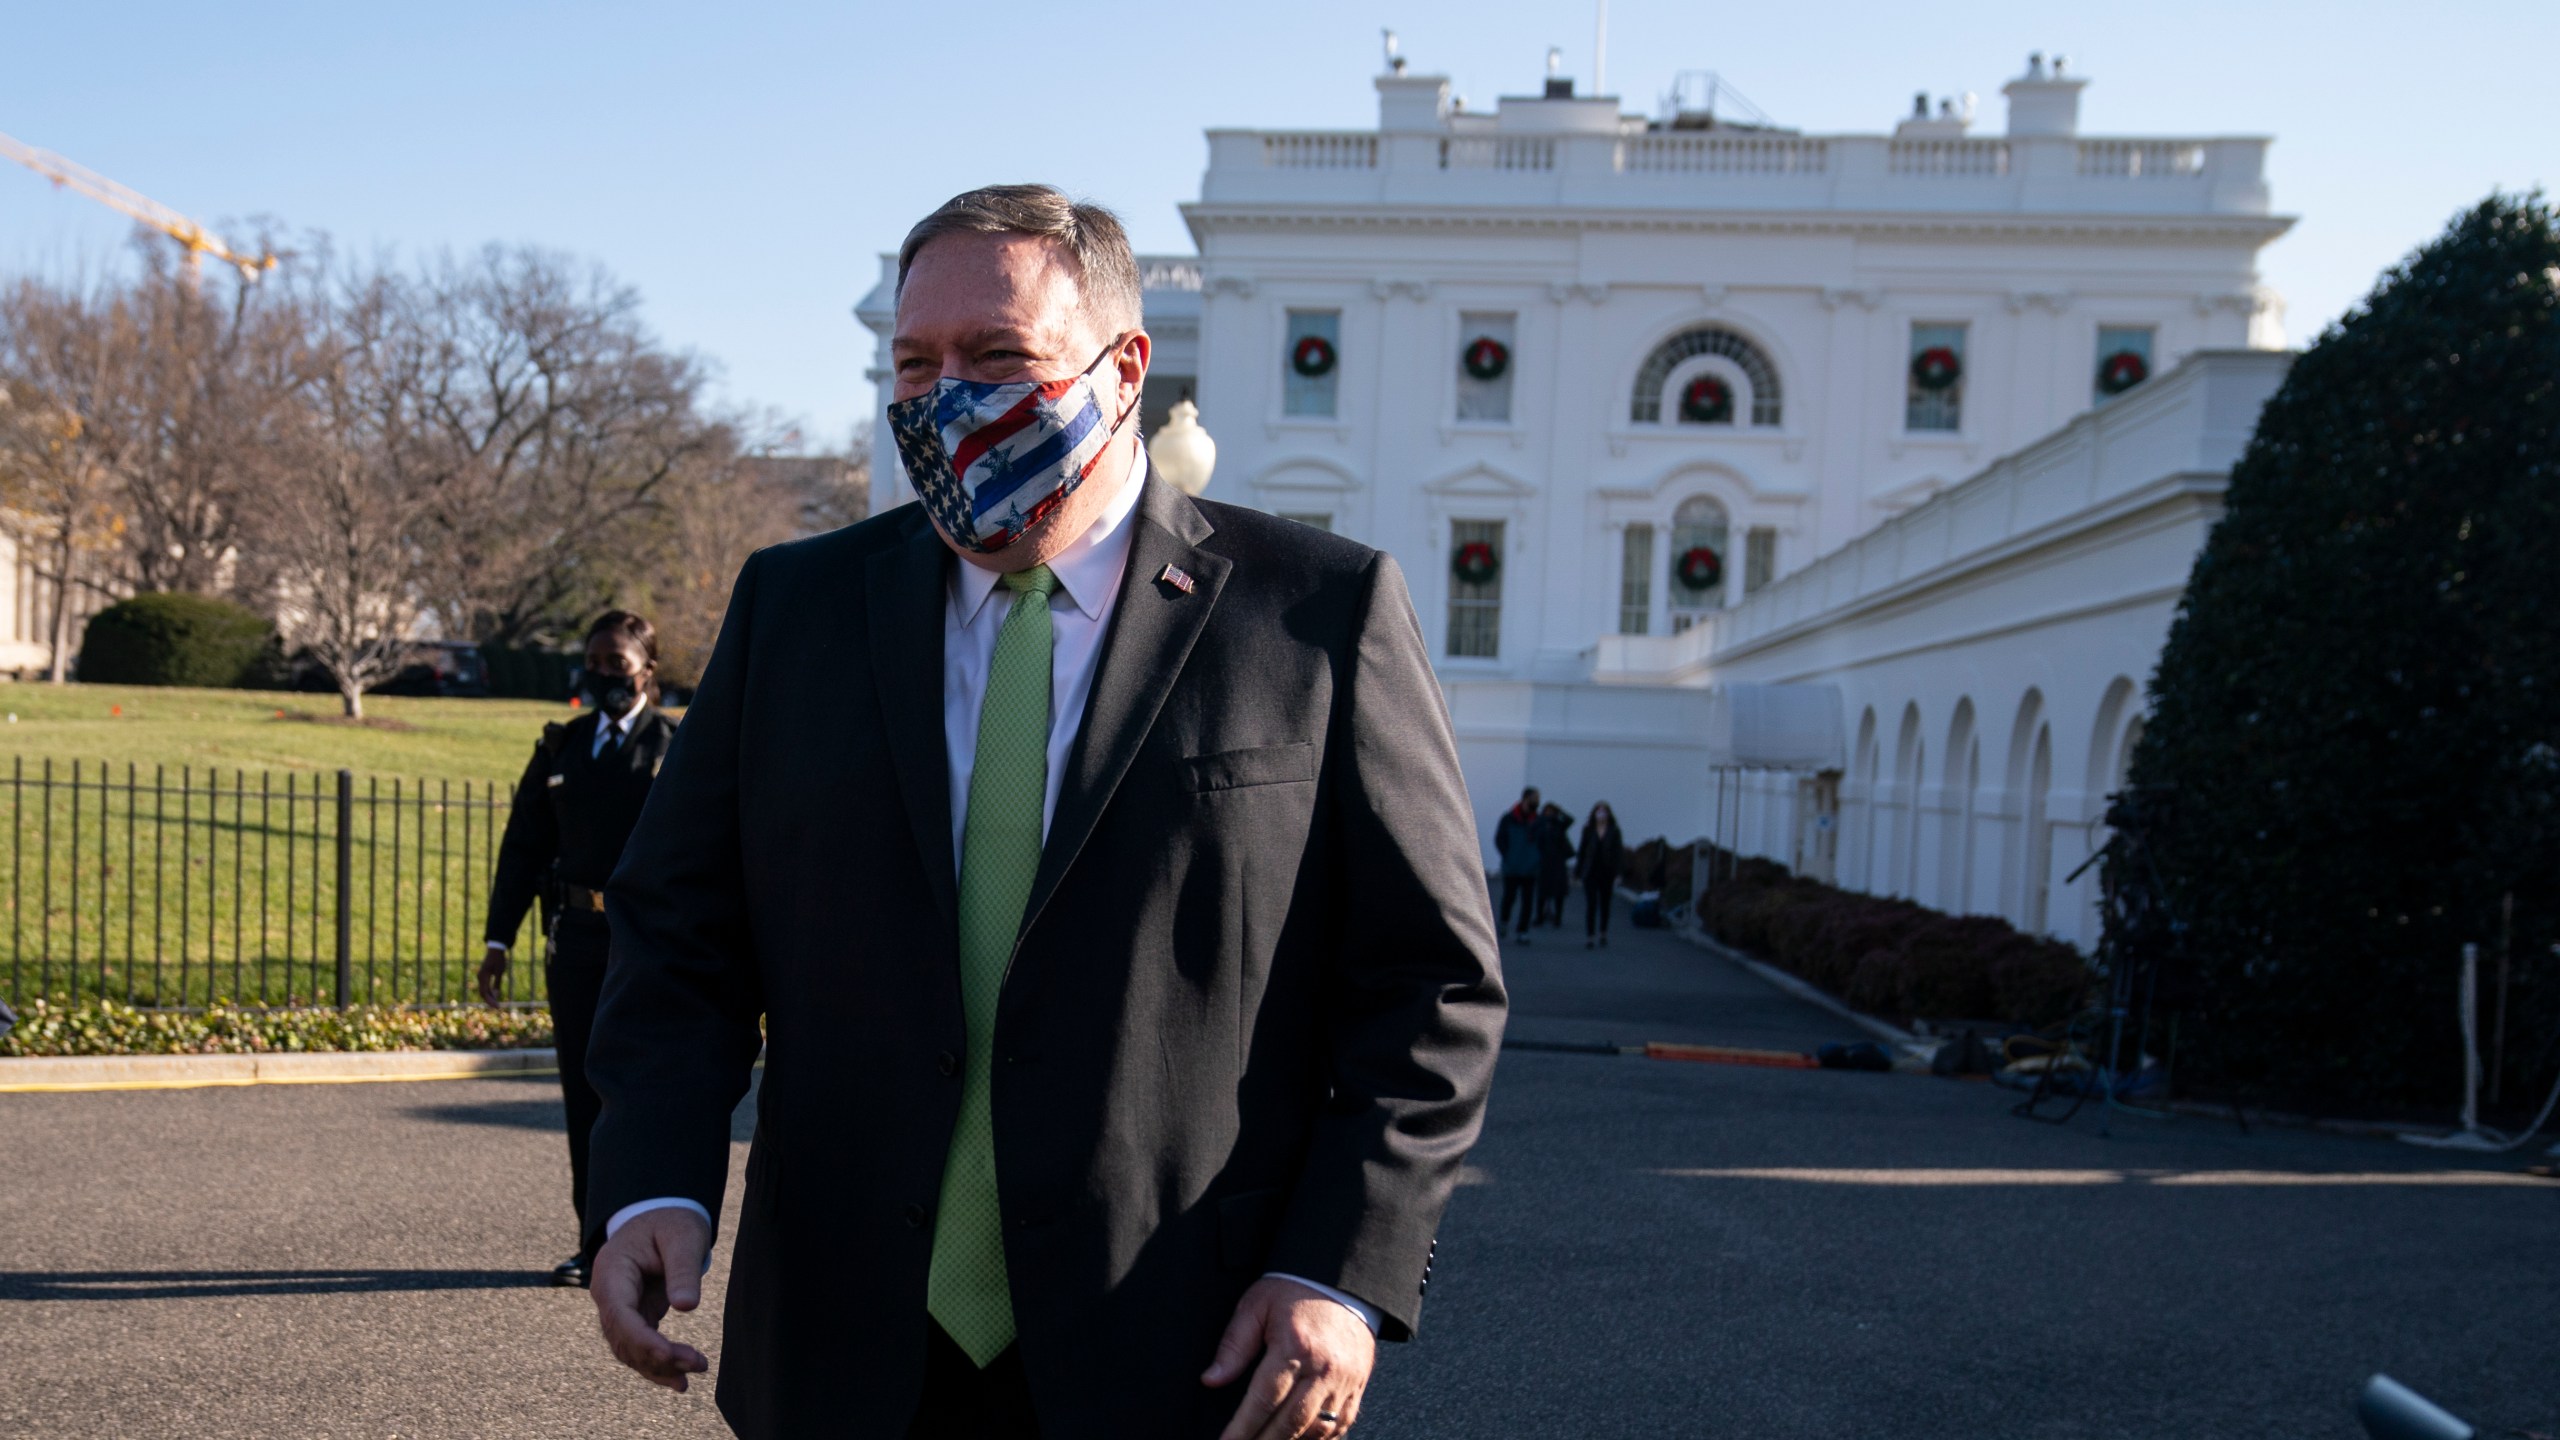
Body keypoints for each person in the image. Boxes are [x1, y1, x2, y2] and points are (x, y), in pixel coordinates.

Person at [580, 185, 1507, 1440]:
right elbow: (677, 932)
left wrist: (1339, 1269)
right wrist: (650, 1183)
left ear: (1123, 368)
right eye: (915, 361)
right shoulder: (796, 611)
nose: (944, 393)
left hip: (1186, 1351)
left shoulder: (1315, 617)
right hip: (843, 1355)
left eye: (996, 355)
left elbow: (1429, 986)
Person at [479, 610, 676, 1289]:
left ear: (646, 670)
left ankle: (641, 1239)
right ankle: (594, 1244)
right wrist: (498, 938)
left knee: (641, 1096)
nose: (603, 678)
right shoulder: (561, 748)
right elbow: (524, 849)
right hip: (576, 943)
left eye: (615, 666)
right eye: (593, 665)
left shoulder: (674, 748)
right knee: (582, 1094)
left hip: (647, 948)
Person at [1493, 787, 1541, 945]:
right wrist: (1508, 856)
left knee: (1527, 901)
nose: (1537, 802)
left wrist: (1537, 859)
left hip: (1530, 869)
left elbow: (1544, 843)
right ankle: (1504, 922)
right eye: (1535, 798)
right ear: (1526, 799)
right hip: (1512, 868)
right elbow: (1500, 839)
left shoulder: (1538, 821)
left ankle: (1523, 931)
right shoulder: (1509, 818)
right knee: (1509, 897)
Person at [1575, 801, 1626, 949]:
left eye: (1604, 811)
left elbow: (1618, 853)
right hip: (1591, 872)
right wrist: (1578, 872)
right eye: (1599, 811)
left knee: (1605, 904)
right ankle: (1590, 935)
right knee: (1591, 903)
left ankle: (1603, 932)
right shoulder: (1588, 830)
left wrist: (1618, 872)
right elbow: (1582, 851)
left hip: (1607, 872)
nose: (1601, 814)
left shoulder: (1614, 831)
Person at [1535, 803, 1575, 928]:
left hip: (1558, 862)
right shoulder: (1540, 824)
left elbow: (1570, 820)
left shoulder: (1559, 824)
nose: (1549, 814)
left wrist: (1560, 811)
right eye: (1547, 811)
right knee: (1542, 891)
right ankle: (1539, 916)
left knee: (1559, 892)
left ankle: (1558, 917)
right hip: (1544, 862)